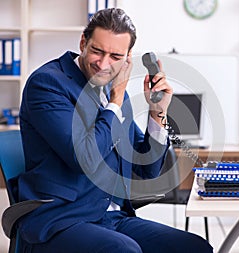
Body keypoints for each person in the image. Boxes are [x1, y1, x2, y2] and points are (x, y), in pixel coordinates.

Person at [16, 8, 213, 253]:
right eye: (97, 51)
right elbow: (83, 158)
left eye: (115, 56)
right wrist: (116, 101)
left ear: (128, 58)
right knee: (123, 250)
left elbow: (147, 169)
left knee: (194, 247)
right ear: (83, 43)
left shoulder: (115, 94)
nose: (103, 64)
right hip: (60, 220)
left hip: (112, 219)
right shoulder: (48, 84)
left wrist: (156, 112)